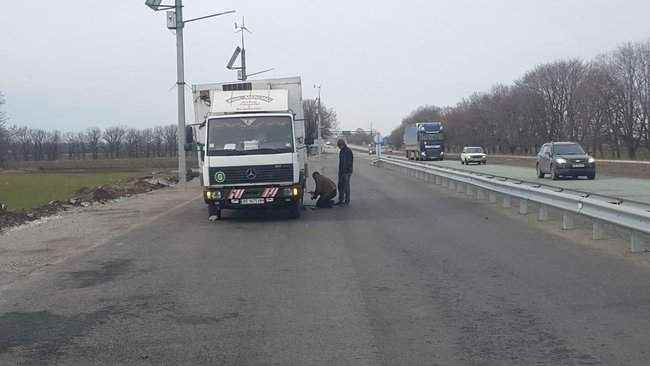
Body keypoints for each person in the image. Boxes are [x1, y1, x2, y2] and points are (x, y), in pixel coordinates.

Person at [336, 139, 353, 205]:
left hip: (346, 172)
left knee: (346, 186)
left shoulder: (348, 151)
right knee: (340, 186)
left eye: (339, 146)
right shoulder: (342, 151)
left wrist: (345, 171)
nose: (338, 147)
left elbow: (348, 162)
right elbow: (341, 162)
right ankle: (341, 200)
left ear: (341, 145)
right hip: (341, 171)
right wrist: (340, 171)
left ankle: (346, 201)